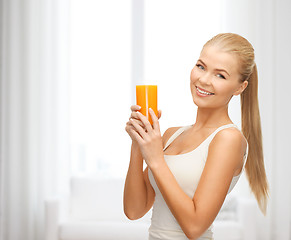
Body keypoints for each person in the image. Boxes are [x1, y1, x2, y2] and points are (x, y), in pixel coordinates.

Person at [123, 33, 269, 240]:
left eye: (220, 75)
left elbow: (194, 227)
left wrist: (155, 159)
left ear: (239, 87)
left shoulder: (228, 139)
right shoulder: (172, 135)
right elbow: (134, 210)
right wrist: (139, 144)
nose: (203, 80)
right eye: (201, 66)